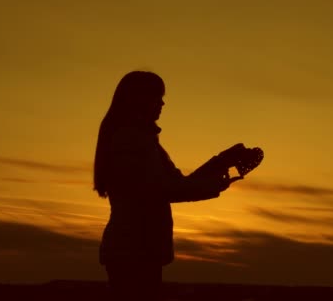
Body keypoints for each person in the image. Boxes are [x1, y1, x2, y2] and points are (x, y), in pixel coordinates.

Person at [93, 71, 242, 300]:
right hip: (133, 252)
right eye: (158, 97)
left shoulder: (144, 140)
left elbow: (176, 184)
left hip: (139, 251)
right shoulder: (131, 140)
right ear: (140, 99)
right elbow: (161, 190)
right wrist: (214, 183)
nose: (162, 103)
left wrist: (220, 162)